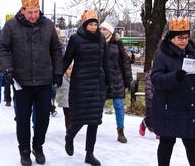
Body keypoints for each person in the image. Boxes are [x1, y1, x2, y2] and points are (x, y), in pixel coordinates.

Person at [0, 0, 63, 166]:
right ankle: (24, 151)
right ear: (23, 10)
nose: (33, 16)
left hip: (44, 81)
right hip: (22, 82)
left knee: (43, 119)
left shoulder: (48, 25)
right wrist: (8, 69)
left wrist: (58, 72)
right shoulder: (11, 25)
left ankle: (38, 146)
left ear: (39, 9)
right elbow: (2, 47)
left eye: (36, 11)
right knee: (23, 119)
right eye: (30, 12)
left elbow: (56, 49)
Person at [150, 17, 195, 166]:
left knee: (193, 144)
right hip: (169, 109)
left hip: (189, 107)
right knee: (166, 143)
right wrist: (175, 76)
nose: (184, 41)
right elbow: (156, 80)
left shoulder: (192, 53)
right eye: (180, 38)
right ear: (171, 38)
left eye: (186, 37)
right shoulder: (162, 56)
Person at [63, 9, 111, 166]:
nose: (93, 27)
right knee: (79, 118)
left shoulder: (101, 40)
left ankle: (89, 154)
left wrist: (109, 82)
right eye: (90, 24)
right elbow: (67, 59)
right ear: (84, 25)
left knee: (94, 121)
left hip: (97, 84)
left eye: (95, 24)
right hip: (80, 85)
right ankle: (70, 136)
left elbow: (106, 62)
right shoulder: (75, 39)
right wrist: (57, 77)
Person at [100, 15, 132, 143]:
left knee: (118, 105)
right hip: (102, 79)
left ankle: (120, 131)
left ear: (110, 31)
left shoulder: (117, 43)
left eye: (105, 29)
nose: (102, 31)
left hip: (116, 79)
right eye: (101, 28)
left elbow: (125, 61)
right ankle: (94, 126)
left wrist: (128, 79)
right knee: (98, 105)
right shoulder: (97, 41)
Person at [139, 71, 159, 139]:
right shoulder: (150, 77)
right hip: (150, 102)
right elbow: (148, 91)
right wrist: (156, 98)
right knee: (150, 118)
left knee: (160, 117)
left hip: (160, 102)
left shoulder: (162, 77)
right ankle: (144, 123)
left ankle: (159, 132)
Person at [56, 63, 73, 131]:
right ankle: (68, 129)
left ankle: (71, 128)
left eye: (72, 69)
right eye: (69, 69)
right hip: (65, 100)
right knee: (67, 115)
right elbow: (60, 90)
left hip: (74, 100)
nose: (71, 71)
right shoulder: (63, 79)